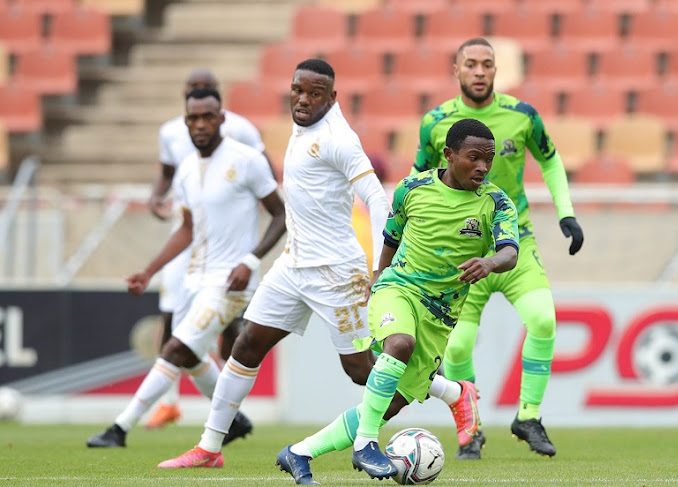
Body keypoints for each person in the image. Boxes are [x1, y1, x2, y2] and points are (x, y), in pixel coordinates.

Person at [157, 59, 482, 470]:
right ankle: (209, 448)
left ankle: (453, 392)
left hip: (336, 273)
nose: (303, 99)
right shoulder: (302, 123)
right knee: (246, 345)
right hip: (293, 264)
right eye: (297, 90)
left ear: (332, 97)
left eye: (314, 93)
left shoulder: (338, 139)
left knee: (362, 371)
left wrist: (382, 269)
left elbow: (378, 200)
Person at [276, 118, 519, 485]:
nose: (483, 167)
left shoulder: (497, 203)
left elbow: (510, 253)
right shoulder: (412, 188)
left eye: (489, 159)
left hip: (440, 315)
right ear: (449, 155)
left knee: (389, 404)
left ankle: (299, 452)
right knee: (399, 343)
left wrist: (488, 262)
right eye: (474, 158)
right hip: (399, 289)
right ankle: (366, 444)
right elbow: (391, 236)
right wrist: (378, 278)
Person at [86, 87, 286, 448]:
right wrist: (149, 271)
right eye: (193, 118)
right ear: (185, 121)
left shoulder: (246, 159)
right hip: (194, 277)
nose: (200, 124)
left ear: (222, 119)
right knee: (191, 355)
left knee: (175, 348)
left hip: (230, 282)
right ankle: (233, 420)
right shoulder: (187, 169)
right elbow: (186, 229)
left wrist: (251, 260)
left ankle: (119, 428)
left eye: (208, 116)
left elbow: (279, 214)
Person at [413, 37, 585, 459]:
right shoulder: (435, 122)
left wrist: (566, 212)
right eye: (469, 64)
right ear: (456, 70)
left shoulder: (522, 115)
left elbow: (551, 160)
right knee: (455, 347)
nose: (478, 71)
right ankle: (469, 428)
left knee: (543, 319)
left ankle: (528, 416)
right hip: (462, 252)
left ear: (495, 70)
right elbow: (417, 183)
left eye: (486, 64)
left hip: (515, 244)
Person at [145, 68, 275, 429]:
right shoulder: (171, 132)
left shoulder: (243, 131)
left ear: (220, 103)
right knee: (173, 319)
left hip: (229, 246)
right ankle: (170, 402)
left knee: (226, 333)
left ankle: (225, 410)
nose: (200, 101)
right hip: (187, 236)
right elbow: (166, 175)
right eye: (193, 93)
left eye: (208, 94)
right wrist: (156, 198)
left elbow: (266, 177)